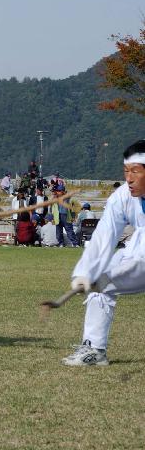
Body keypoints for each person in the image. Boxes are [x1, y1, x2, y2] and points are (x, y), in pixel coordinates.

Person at [62, 140, 145, 366]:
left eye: (135, 171)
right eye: (126, 171)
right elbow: (104, 235)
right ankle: (94, 350)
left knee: (102, 277)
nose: (129, 178)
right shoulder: (122, 196)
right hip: (139, 251)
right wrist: (86, 272)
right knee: (98, 271)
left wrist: (106, 278)